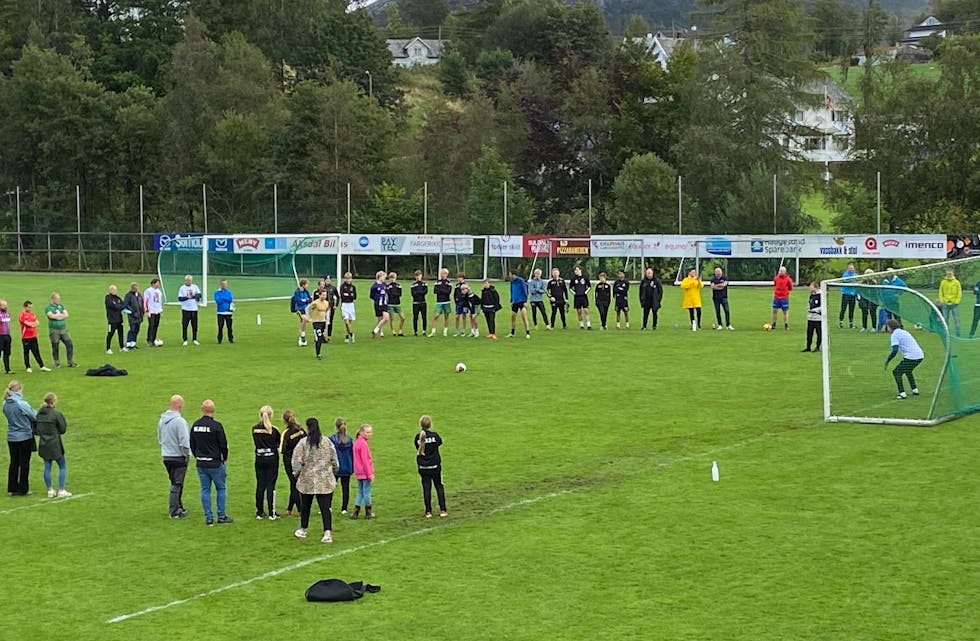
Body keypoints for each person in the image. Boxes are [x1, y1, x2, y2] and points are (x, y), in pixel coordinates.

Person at [292, 417, 339, 543]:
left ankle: (303, 528)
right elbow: (334, 460)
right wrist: (334, 472)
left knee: (306, 506)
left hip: (307, 479)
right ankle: (327, 533)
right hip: (324, 479)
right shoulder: (327, 441)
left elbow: (296, 461)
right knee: (325, 507)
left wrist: (296, 474)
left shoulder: (303, 443)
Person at [190, 399, 232, 525]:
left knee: (205, 489)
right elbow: (223, 444)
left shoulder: (196, 425)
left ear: (202, 409)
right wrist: (224, 457)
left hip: (201, 463)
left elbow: (192, 443)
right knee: (221, 488)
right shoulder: (217, 426)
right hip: (215, 463)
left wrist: (197, 455)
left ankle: (208, 517)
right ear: (213, 410)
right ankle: (221, 515)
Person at [158, 394, 190, 519]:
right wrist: (187, 454)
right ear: (180, 405)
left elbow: (160, 438)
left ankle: (179, 505)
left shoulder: (162, 420)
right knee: (177, 483)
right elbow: (184, 441)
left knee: (175, 481)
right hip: (178, 456)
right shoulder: (180, 421)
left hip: (166, 455)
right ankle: (174, 510)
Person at [4, 380, 36, 495]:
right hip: (24, 437)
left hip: (11, 436)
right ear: (18, 390)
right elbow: (34, 415)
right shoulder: (21, 403)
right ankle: (23, 489)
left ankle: (12, 487)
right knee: (24, 463)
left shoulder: (5, 403)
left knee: (14, 463)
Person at [36, 392, 70, 498]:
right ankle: (61, 490)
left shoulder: (39, 414)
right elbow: (63, 429)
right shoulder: (56, 414)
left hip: (43, 444)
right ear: (53, 401)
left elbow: (36, 429)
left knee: (47, 466)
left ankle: (50, 490)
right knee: (62, 466)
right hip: (55, 444)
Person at [414, 415, 448, 518]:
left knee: (426, 488)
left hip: (423, 467)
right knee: (439, 486)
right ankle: (443, 510)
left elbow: (418, 447)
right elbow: (439, 443)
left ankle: (428, 511)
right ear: (430, 424)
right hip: (434, 466)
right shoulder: (435, 436)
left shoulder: (418, 437)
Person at [252, 405, 280, 520]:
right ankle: (271, 512)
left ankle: (259, 511)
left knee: (260, 484)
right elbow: (278, 443)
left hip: (259, 458)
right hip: (272, 459)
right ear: (271, 415)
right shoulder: (274, 430)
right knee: (270, 485)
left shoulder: (254, 429)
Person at [884, 318, 924, 400]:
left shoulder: (894, 335)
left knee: (896, 372)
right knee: (908, 370)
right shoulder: (903, 331)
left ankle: (902, 393)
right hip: (919, 355)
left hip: (912, 357)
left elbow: (895, 350)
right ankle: (915, 389)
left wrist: (888, 360)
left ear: (890, 327)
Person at [280, 410, 306, 517]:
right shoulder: (301, 430)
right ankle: (289, 509)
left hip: (290, 461)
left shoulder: (286, 433)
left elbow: (282, 449)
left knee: (293, 483)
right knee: (294, 483)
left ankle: (300, 510)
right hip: (302, 460)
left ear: (284, 421)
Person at [329, 417, 354, 515]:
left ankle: (328, 506)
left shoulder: (332, 439)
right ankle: (344, 508)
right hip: (347, 467)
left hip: (336, 467)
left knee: (331, 487)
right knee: (346, 488)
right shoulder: (349, 440)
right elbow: (352, 454)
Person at [349, 423, 375, 520]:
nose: (369, 434)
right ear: (362, 432)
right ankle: (368, 512)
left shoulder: (357, 442)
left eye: (370, 432)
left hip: (358, 471)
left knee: (360, 491)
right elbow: (365, 461)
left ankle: (356, 511)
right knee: (367, 492)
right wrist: (370, 474)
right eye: (367, 432)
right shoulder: (363, 444)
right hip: (364, 472)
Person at [45, 292, 76, 367]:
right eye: (57, 299)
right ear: (52, 299)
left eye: (59, 299)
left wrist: (58, 316)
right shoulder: (48, 307)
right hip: (54, 330)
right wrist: (60, 315)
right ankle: (56, 362)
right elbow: (51, 316)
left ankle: (70, 361)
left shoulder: (61, 306)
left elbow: (66, 315)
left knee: (69, 344)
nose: (58, 300)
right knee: (55, 345)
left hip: (63, 329)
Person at [19, 300, 49, 372]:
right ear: (25, 307)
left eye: (31, 307)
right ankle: (28, 367)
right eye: (29, 307)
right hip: (26, 337)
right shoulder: (22, 315)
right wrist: (32, 324)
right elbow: (27, 323)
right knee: (26, 352)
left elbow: (37, 323)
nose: (30, 309)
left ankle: (42, 366)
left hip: (33, 336)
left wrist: (32, 324)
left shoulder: (32, 314)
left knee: (36, 351)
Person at [177, 275, 202, 346]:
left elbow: (199, 295)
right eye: (187, 280)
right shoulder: (182, 288)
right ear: (185, 280)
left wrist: (193, 296)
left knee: (194, 325)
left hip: (194, 309)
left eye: (190, 280)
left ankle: (195, 339)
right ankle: (185, 339)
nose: (189, 281)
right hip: (186, 309)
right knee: (185, 325)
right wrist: (187, 297)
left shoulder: (195, 287)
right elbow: (180, 298)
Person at [429, 268, 453, 337]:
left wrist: (441, 291)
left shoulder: (449, 283)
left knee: (446, 317)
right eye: (441, 273)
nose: (441, 275)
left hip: (446, 302)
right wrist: (443, 291)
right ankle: (433, 331)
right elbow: (435, 291)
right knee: (436, 316)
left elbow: (448, 292)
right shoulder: (437, 282)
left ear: (446, 274)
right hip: (439, 301)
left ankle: (445, 331)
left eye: (443, 273)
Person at [939, 268, 962, 337]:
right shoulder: (943, 282)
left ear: (953, 273)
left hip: (954, 304)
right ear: (946, 273)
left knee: (956, 319)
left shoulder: (956, 282)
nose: (949, 275)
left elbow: (959, 293)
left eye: (950, 274)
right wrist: (942, 301)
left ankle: (958, 333)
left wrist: (956, 301)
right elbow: (941, 292)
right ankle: (946, 333)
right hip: (945, 303)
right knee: (945, 319)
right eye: (948, 274)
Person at [308, 289, 330, 360]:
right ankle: (318, 353)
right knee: (319, 337)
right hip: (316, 322)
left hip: (323, 322)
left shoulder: (326, 303)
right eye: (323, 295)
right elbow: (307, 309)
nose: (324, 296)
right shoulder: (315, 303)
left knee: (320, 337)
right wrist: (309, 318)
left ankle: (317, 339)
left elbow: (327, 311)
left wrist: (327, 319)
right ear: (319, 295)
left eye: (325, 295)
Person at [290, 278, 313, 346]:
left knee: (304, 321)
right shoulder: (297, 292)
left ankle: (301, 337)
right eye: (306, 284)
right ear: (303, 284)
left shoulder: (306, 291)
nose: (307, 285)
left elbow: (310, 299)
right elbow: (298, 301)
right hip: (299, 309)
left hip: (306, 309)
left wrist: (305, 300)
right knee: (304, 319)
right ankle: (303, 336)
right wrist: (305, 300)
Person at [509, 269, 531, 339]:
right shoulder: (512, 282)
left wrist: (525, 301)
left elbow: (525, 290)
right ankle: (512, 333)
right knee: (513, 316)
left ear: (513, 274)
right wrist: (512, 299)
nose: (509, 276)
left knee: (524, 317)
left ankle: (527, 332)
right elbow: (511, 291)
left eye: (510, 274)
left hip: (521, 301)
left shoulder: (520, 281)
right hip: (515, 301)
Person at [122, 282, 144, 351]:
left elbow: (141, 304)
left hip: (139, 316)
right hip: (132, 316)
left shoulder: (139, 295)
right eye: (134, 287)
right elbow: (126, 304)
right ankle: (128, 343)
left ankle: (133, 343)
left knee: (137, 330)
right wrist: (132, 312)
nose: (136, 288)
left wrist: (142, 312)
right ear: (131, 288)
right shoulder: (128, 295)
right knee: (132, 329)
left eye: (136, 287)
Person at [802, 282, 823, 353]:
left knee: (819, 333)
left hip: (818, 318)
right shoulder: (811, 295)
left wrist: (815, 310)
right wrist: (808, 309)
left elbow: (823, 306)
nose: (809, 288)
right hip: (810, 318)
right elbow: (809, 304)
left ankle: (818, 347)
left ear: (815, 287)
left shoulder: (821, 295)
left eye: (811, 287)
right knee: (809, 333)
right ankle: (808, 347)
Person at [771, 266, 793, 330]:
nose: (781, 272)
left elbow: (790, 287)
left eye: (782, 271)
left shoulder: (788, 279)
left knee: (785, 312)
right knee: (774, 311)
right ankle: (774, 324)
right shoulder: (776, 278)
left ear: (785, 272)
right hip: (777, 297)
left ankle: (786, 324)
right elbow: (775, 285)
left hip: (784, 298)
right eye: (780, 271)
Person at [570, 265, 592, 330]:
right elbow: (570, 288)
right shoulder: (573, 279)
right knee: (579, 311)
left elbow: (589, 286)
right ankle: (581, 325)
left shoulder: (585, 278)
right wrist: (574, 293)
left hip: (584, 296)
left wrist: (586, 292)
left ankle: (588, 325)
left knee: (586, 310)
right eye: (575, 270)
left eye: (577, 270)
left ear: (580, 270)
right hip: (577, 297)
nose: (576, 271)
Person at [105, 285, 125, 354]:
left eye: (115, 290)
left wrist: (120, 306)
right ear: (110, 290)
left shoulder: (117, 298)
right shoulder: (108, 298)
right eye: (113, 290)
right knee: (110, 334)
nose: (115, 291)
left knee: (121, 333)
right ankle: (108, 348)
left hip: (119, 319)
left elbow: (123, 305)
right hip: (112, 320)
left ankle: (122, 347)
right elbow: (114, 306)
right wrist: (119, 306)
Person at [370, 271, 390, 338]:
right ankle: (380, 331)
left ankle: (375, 330)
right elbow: (371, 296)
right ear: (380, 277)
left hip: (384, 303)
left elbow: (386, 292)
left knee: (386, 318)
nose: (385, 278)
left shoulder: (384, 284)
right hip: (378, 304)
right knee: (380, 318)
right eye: (384, 277)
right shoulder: (374, 286)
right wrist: (377, 299)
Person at [144, 278, 164, 347]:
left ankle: (153, 339)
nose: (158, 284)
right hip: (151, 311)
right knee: (151, 325)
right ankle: (149, 340)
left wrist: (160, 309)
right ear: (153, 283)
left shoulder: (159, 291)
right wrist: (147, 310)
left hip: (157, 311)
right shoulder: (148, 291)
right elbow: (146, 301)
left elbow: (160, 301)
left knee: (156, 325)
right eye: (157, 283)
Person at [214, 279, 234, 344]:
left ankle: (230, 339)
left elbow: (230, 299)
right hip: (220, 312)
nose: (224, 285)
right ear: (220, 284)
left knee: (229, 327)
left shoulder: (229, 292)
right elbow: (218, 301)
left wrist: (222, 298)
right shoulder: (217, 292)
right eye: (223, 284)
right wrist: (225, 299)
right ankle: (219, 339)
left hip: (228, 312)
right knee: (220, 326)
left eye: (225, 284)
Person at [386, 272, 406, 336]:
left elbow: (399, 294)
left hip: (397, 303)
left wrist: (393, 293)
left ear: (395, 278)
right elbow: (389, 294)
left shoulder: (398, 285)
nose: (392, 279)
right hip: (390, 304)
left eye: (393, 278)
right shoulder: (388, 286)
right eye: (391, 278)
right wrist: (394, 294)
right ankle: (393, 330)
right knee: (391, 318)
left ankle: (400, 330)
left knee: (403, 318)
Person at [839, 263, 857, 329]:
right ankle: (841, 321)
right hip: (846, 294)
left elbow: (856, 283)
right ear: (848, 269)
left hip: (853, 294)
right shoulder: (845, 274)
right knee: (843, 308)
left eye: (852, 268)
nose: (851, 270)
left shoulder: (855, 275)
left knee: (851, 309)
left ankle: (851, 323)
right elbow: (847, 282)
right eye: (850, 268)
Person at [339, 272, 357, 343]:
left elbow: (354, 297)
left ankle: (347, 335)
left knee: (349, 321)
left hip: (351, 305)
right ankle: (352, 334)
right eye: (347, 278)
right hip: (344, 304)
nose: (348, 280)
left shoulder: (353, 287)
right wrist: (349, 295)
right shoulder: (342, 286)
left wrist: (348, 295)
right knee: (346, 321)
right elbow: (343, 295)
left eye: (349, 278)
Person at [410, 270, 428, 336]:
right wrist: (420, 292)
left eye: (419, 275)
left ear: (421, 276)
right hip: (415, 303)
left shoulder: (424, 284)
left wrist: (418, 292)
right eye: (417, 276)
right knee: (415, 317)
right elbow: (413, 294)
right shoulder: (413, 285)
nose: (418, 277)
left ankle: (424, 330)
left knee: (424, 317)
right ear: (415, 277)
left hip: (423, 302)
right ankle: (415, 331)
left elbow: (425, 292)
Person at [322, 275, 340, 342]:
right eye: (327, 279)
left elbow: (338, 297)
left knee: (330, 321)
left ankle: (329, 335)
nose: (328, 281)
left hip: (331, 306)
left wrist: (336, 305)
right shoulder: (322, 288)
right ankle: (322, 334)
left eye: (329, 279)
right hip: (323, 307)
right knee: (323, 320)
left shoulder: (333, 288)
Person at [452, 272, 467, 337]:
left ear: (463, 278)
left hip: (464, 303)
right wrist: (456, 300)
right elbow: (455, 294)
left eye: (460, 277)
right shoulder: (457, 285)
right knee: (457, 317)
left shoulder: (466, 285)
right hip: (458, 303)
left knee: (464, 316)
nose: (459, 279)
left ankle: (463, 330)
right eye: (458, 277)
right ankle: (457, 330)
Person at [0, 299, 13, 374]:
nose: (5, 306)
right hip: (0, 336)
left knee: (7, 353)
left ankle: (7, 369)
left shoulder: (8, 313)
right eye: (3, 305)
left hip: (7, 335)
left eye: (6, 305)